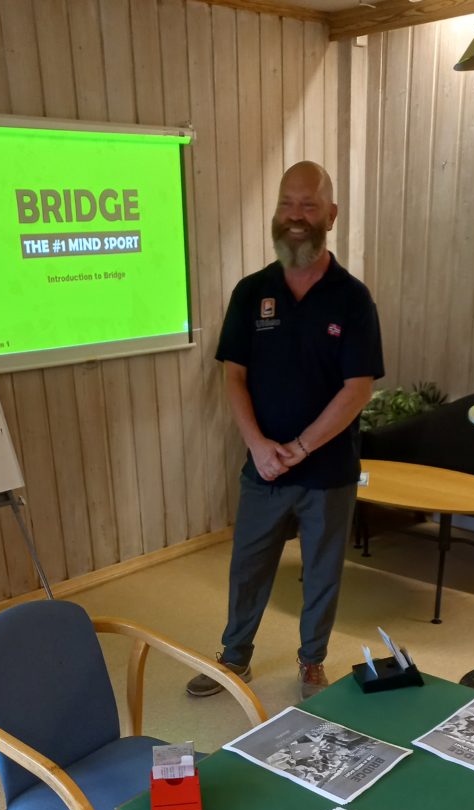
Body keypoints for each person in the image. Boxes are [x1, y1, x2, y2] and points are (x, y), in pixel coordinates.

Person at [185, 160, 384, 701]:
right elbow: (234, 376)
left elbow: (357, 389)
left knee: (322, 572)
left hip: (328, 470)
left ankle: (312, 661)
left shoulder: (352, 299)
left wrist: (298, 448)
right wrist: (258, 446)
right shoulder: (251, 292)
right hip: (263, 467)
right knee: (248, 566)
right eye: (286, 204)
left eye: (309, 205)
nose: (296, 216)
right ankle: (235, 656)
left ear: (331, 215)